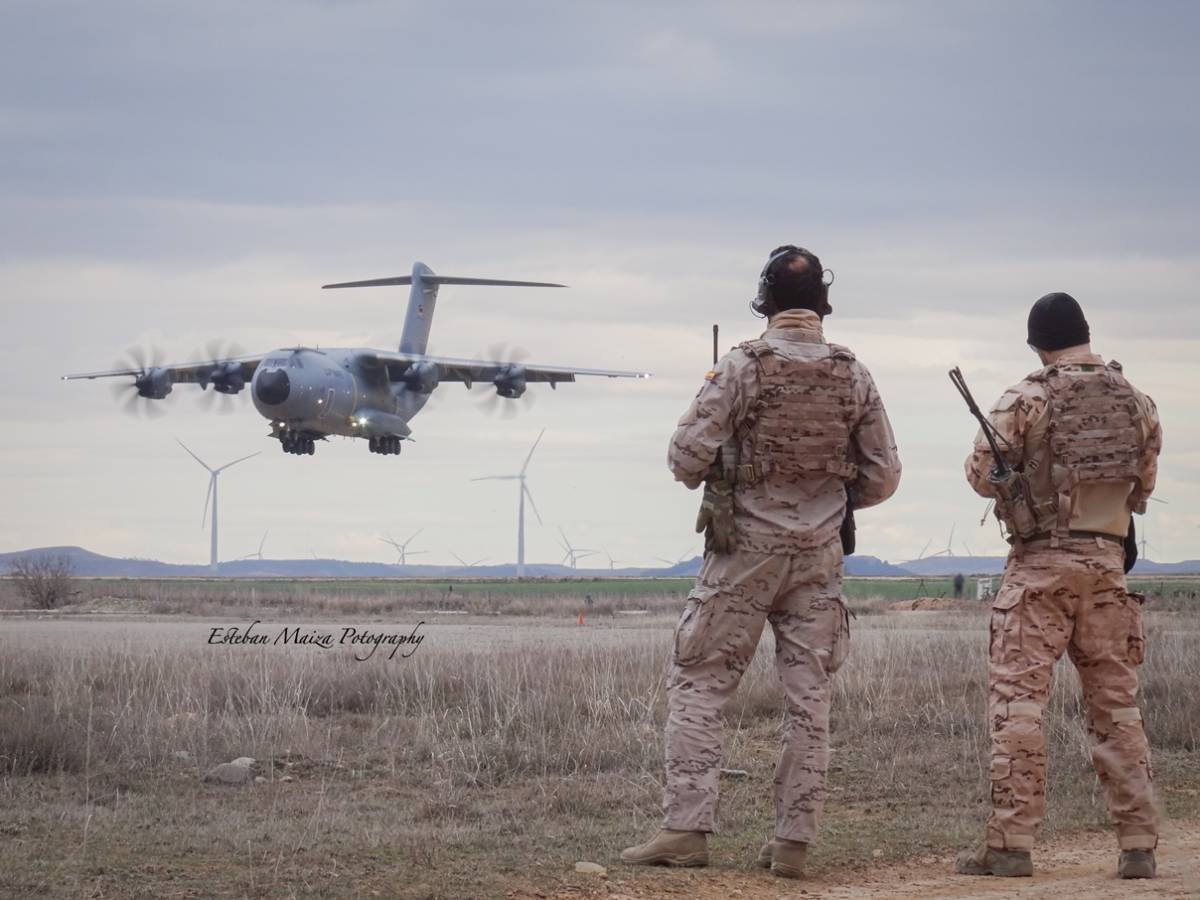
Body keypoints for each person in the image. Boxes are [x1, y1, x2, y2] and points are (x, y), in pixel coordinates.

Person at [621, 245, 901, 879]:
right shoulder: (854, 375)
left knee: (700, 683)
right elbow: (884, 476)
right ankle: (794, 842)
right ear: (822, 303)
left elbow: (685, 459)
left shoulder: (742, 365)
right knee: (810, 696)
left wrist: (739, 473)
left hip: (744, 551)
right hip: (819, 559)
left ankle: (686, 828)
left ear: (765, 301)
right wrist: (828, 497)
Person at [956, 292, 1162, 880]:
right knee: (1118, 708)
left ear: (1038, 345)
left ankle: (1011, 845)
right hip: (1107, 569)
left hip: (1039, 568)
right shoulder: (1139, 402)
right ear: (1086, 334)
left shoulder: (1027, 398)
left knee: (1019, 706)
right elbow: (1142, 487)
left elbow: (980, 475)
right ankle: (1139, 845)